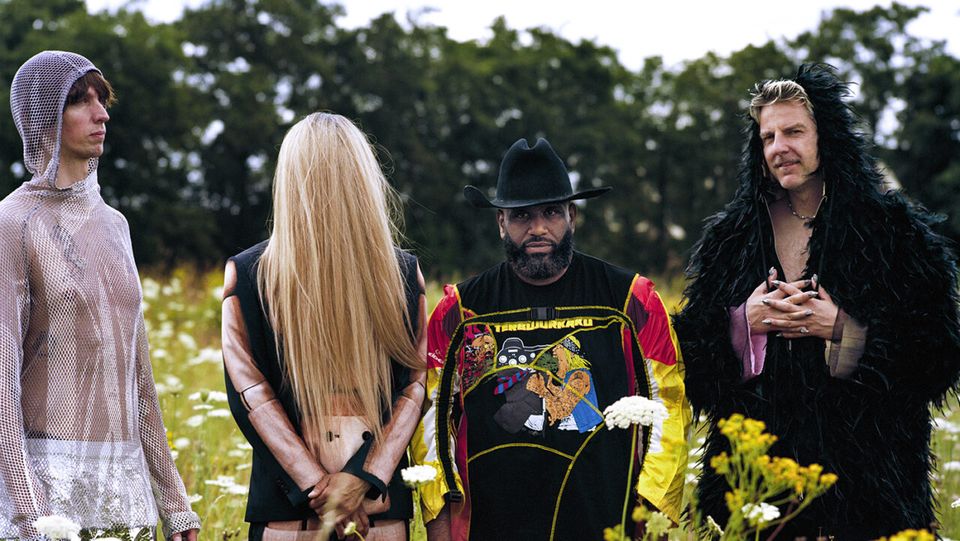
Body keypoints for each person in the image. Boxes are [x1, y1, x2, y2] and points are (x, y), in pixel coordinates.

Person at [675, 63, 960, 539]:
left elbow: (939, 356)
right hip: (755, 493)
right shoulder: (731, 239)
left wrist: (845, 330)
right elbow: (691, 360)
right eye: (768, 137)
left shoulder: (894, 233)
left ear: (827, 136)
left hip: (869, 491)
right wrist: (744, 322)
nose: (779, 147)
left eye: (794, 132)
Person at [412, 138, 690, 540]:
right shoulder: (460, 311)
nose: (538, 228)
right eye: (522, 215)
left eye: (551, 212)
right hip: (491, 526)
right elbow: (431, 426)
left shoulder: (632, 300)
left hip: (605, 523)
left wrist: (654, 513)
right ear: (501, 222)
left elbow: (669, 411)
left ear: (571, 216)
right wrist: (439, 521)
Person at [0, 51, 201, 539]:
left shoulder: (116, 226)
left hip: (125, 495)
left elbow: (139, 376)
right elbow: (1, 384)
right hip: (48, 491)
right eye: (79, 101)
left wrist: (175, 504)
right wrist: (32, 515)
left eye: (102, 100)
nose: (101, 114)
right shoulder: (12, 223)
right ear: (42, 118)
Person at [221, 112, 427, 540]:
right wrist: (361, 480)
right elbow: (415, 387)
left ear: (289, 179)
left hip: (289, 515)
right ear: (364, 179)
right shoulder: (404, 274)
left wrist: (318, 484)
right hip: (376, 514)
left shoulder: (247, 274)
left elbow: (250, 393)